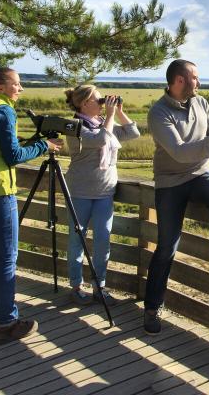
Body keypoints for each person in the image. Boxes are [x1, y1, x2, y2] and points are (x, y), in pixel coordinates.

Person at [143, 59, 209, 335]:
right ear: (179, 81)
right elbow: (179, 152)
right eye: (195, 77)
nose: (199, 82)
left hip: (200, 173)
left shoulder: (201, 103)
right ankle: (152, 308)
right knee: (167, 246)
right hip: (170, 181)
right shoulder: (159, 113)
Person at [0, 67, 62, 345]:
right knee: (5, 260)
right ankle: (6, 324)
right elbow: (12, 155)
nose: (21, 88)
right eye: (17, 84)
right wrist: (43, 146)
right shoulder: (2, 110)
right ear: (1, 88)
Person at [64, 85, 140, 306]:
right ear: (84, 103)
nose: (102, 103)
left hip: (105, 192)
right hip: (80, 191)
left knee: (102, 241)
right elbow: (100, 140)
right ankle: (76, 286)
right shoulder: (75, 126)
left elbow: (133, 132)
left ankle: (100, 287)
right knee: (77, 240)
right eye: (98, 100)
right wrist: (109, 116)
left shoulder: (102, 123)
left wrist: (119, 111)